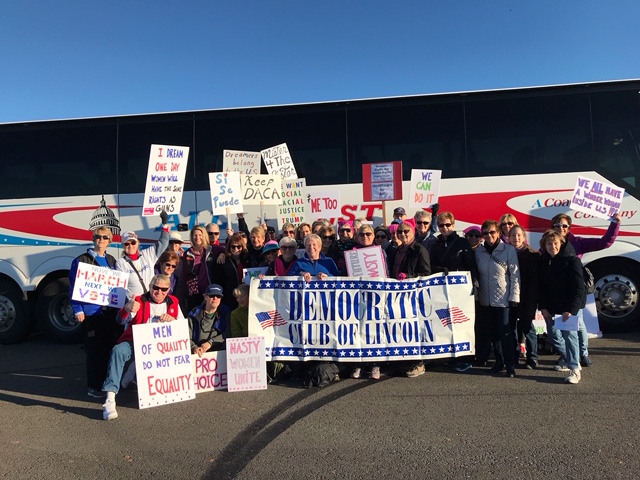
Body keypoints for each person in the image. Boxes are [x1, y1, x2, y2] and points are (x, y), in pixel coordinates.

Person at [101, 274, 184, 420]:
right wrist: (126, 309)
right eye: (155, 288)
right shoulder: (139, 300)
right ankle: (110, 398)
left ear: (169, 289)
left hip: (160, 347)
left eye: (163, 289)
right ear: (150, 287)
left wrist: (172, 321)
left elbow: (182, 327)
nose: (159, 292)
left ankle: (138, 380)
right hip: (136, 342)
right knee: (118, 351)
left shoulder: (173, 303)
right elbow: (120, 321)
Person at [551, 212, 621, 367]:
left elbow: (605, 243)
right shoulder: (549, 242)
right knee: (559, 327)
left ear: (569, 228)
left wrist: (615, 224)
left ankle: (583, 354)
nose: (561, 228)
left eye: (564, 225)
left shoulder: (578, 243)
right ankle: (566, 354)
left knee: (579, 323)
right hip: (557, 291)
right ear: (553, 227)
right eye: (557, 225)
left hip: (575, 289)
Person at [69, 227, 122, 398]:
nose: (101, 240)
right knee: (93, 351)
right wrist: (78, 309)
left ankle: (107, 382)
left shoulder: (112, 260)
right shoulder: (82, 260)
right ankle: (93, 386)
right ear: (94, 239)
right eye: (98, 237)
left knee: (109, 348)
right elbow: (73, 286)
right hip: (91, 313)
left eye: (105, 237)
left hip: (109, 313)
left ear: (109, 240)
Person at [429, 212, 478, 372]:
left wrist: (473, 285)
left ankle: (465, 358)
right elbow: (432, 265)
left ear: (453, 225)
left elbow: (471, 265)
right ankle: (452, 356)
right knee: (446, 323)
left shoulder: (462, 243)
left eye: (448, 225)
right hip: (442, 289)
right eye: (441, 225)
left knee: (462, 323)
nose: (444, 228)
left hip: (460, 290)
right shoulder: (435, 244)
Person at [538, 230, 586, 384]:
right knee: (554, 337)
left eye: (555, 243)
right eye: (549, 243)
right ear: (544, 245)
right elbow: (542, 287)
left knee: (570, 337)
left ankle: (575, 369)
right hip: (551, 308)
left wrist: (571, 310)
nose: (552, 246)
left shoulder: (571, 261)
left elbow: (579, 288)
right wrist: (543, 307)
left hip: (567, 309)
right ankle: (571, 359)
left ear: (561, 244)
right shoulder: (543, 261)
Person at [475, 219, 520, 378]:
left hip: (503, 299)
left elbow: (515, 275)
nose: (489, 236)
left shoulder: (508, 250)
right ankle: (499, 362)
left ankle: (510, 365)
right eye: (485, 233)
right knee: (494, 333)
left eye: (492, 232)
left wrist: (514, 296)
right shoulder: (478, 252)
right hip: (485, 299)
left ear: (499, 233)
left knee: (505, 333)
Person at [386, 220, 431, 378]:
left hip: (414, 297)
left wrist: (409, 277)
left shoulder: (419, 250)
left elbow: (426, 274)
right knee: (404, 329)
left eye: (406, 231)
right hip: (399, 296)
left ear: (413, 233)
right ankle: (405, 360)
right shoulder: (399, 249)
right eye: (400, 232)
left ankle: (419, 363)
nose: (403, 234)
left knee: (416, 329)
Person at [116, 211, 170, 297]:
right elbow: (121, 288)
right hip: (134, 304)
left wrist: (164, 223)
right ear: (122, 245)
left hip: (150, 300)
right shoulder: (120, 263)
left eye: (133, 243)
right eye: (127, 244)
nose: (130, 246)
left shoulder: (147, 254)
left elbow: (163, 243)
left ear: (137, 243)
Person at [508, 225, 540, 369]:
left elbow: (536, 280)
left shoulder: (533, 254)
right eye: (513, 235)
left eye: (519, 235)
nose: (516, 238)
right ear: (508, 238)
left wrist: (534, 300)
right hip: (510, 297)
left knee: (528, 328)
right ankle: (514, 357)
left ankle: (532, 357)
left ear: (524, 237)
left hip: (528, 296)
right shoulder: (505, 252)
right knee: (512, 328)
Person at [177, 225, 219, 314]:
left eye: (200, 235)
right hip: (194, 291)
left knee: (209, 314)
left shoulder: (211, 249)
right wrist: (186, 290)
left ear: (204, 236)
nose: (198, 238)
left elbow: (224, 250)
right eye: (195, 235)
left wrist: (222, 254)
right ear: (192, 237)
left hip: (208, 290)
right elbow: (185, 273)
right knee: (195, 315)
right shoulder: (187, 253)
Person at [188, 284, 231, 356]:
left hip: (220, 353)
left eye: (218, 296)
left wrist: (210, 342)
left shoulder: (225, 312)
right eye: (212, 296)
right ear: (205, 297)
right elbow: (186, 337)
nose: (215, 298)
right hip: (198, 354)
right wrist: (194, 347)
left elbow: (228, 333)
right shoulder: (193, 314)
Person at [211, 233, 251, 310]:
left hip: (246, 297)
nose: (236, 249)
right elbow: (217, 281)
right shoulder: (222, 261)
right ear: (229, 247)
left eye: (238, 246)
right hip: (230, 298)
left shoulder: (247, 260)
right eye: (233, 246)